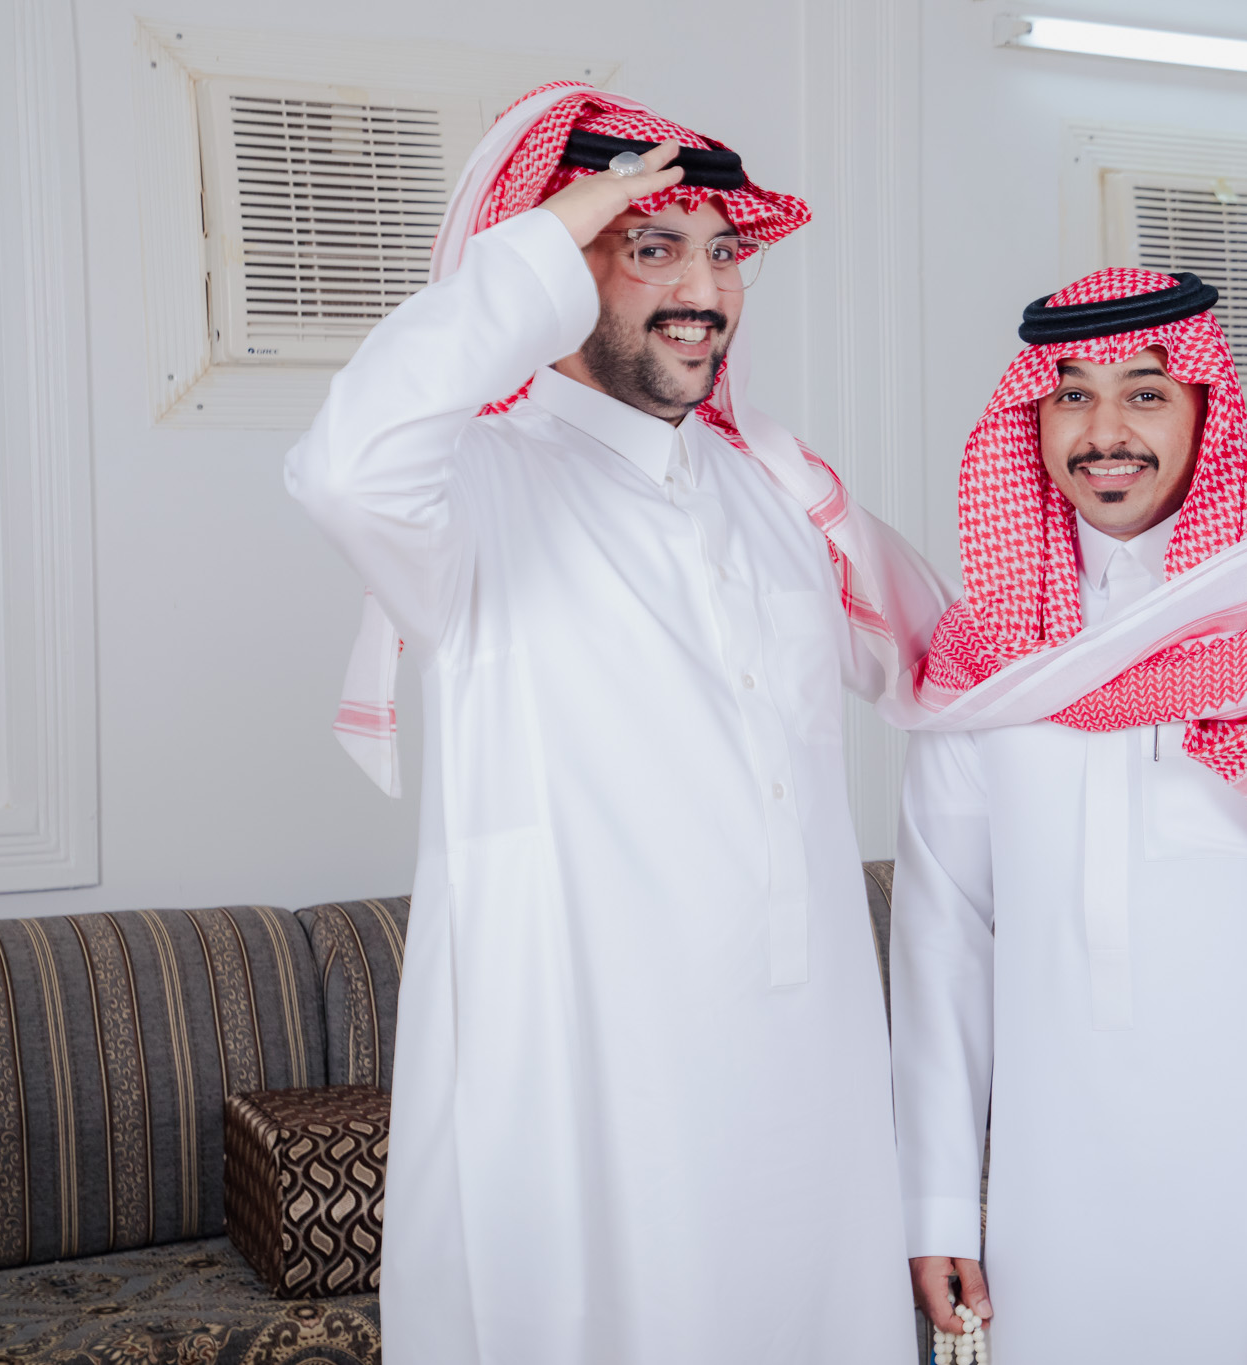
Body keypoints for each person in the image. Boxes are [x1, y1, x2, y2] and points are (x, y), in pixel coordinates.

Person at [286, 83, 949, 1365]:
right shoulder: (472, 490)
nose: (702, 290)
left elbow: (966, 669)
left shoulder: (782, 497)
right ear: (548, 276)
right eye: (650, 247)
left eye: (724, 251)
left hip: (806, 1070)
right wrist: (549, 232)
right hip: (590, 1080)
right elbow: (343, 466)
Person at [879, 268, 1247, 1364]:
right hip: (1055, 1211)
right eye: (1071, 395)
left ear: (1209, 411)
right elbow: (942, 940)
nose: (1104, 432)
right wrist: (938, 1202)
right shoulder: (987, 661)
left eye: (1146, 394)